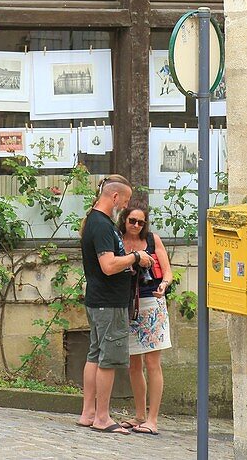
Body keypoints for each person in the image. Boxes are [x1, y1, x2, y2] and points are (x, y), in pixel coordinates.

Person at [78, 174, 152, 435]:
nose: (126, 205)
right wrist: (135, 258)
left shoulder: (97, 222)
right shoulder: (101, 224)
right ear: (115, 196)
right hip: (108, 302)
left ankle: (88, 413)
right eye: (127, 199)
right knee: (107, 359)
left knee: (95, 355)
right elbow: (108, 266)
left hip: (100, 300)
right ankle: (102, 417)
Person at [118, 201, 173, 436]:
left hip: (152, 303)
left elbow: (167, 270)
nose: (137, 225)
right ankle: (139, 415)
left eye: (141, 222)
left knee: (153, 363)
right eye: (133, 221)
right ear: (125, 220)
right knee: (133, 364)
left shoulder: (152, 239)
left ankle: (153, 419)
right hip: (129, 304)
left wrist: (164, 284)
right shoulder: (118, 239)